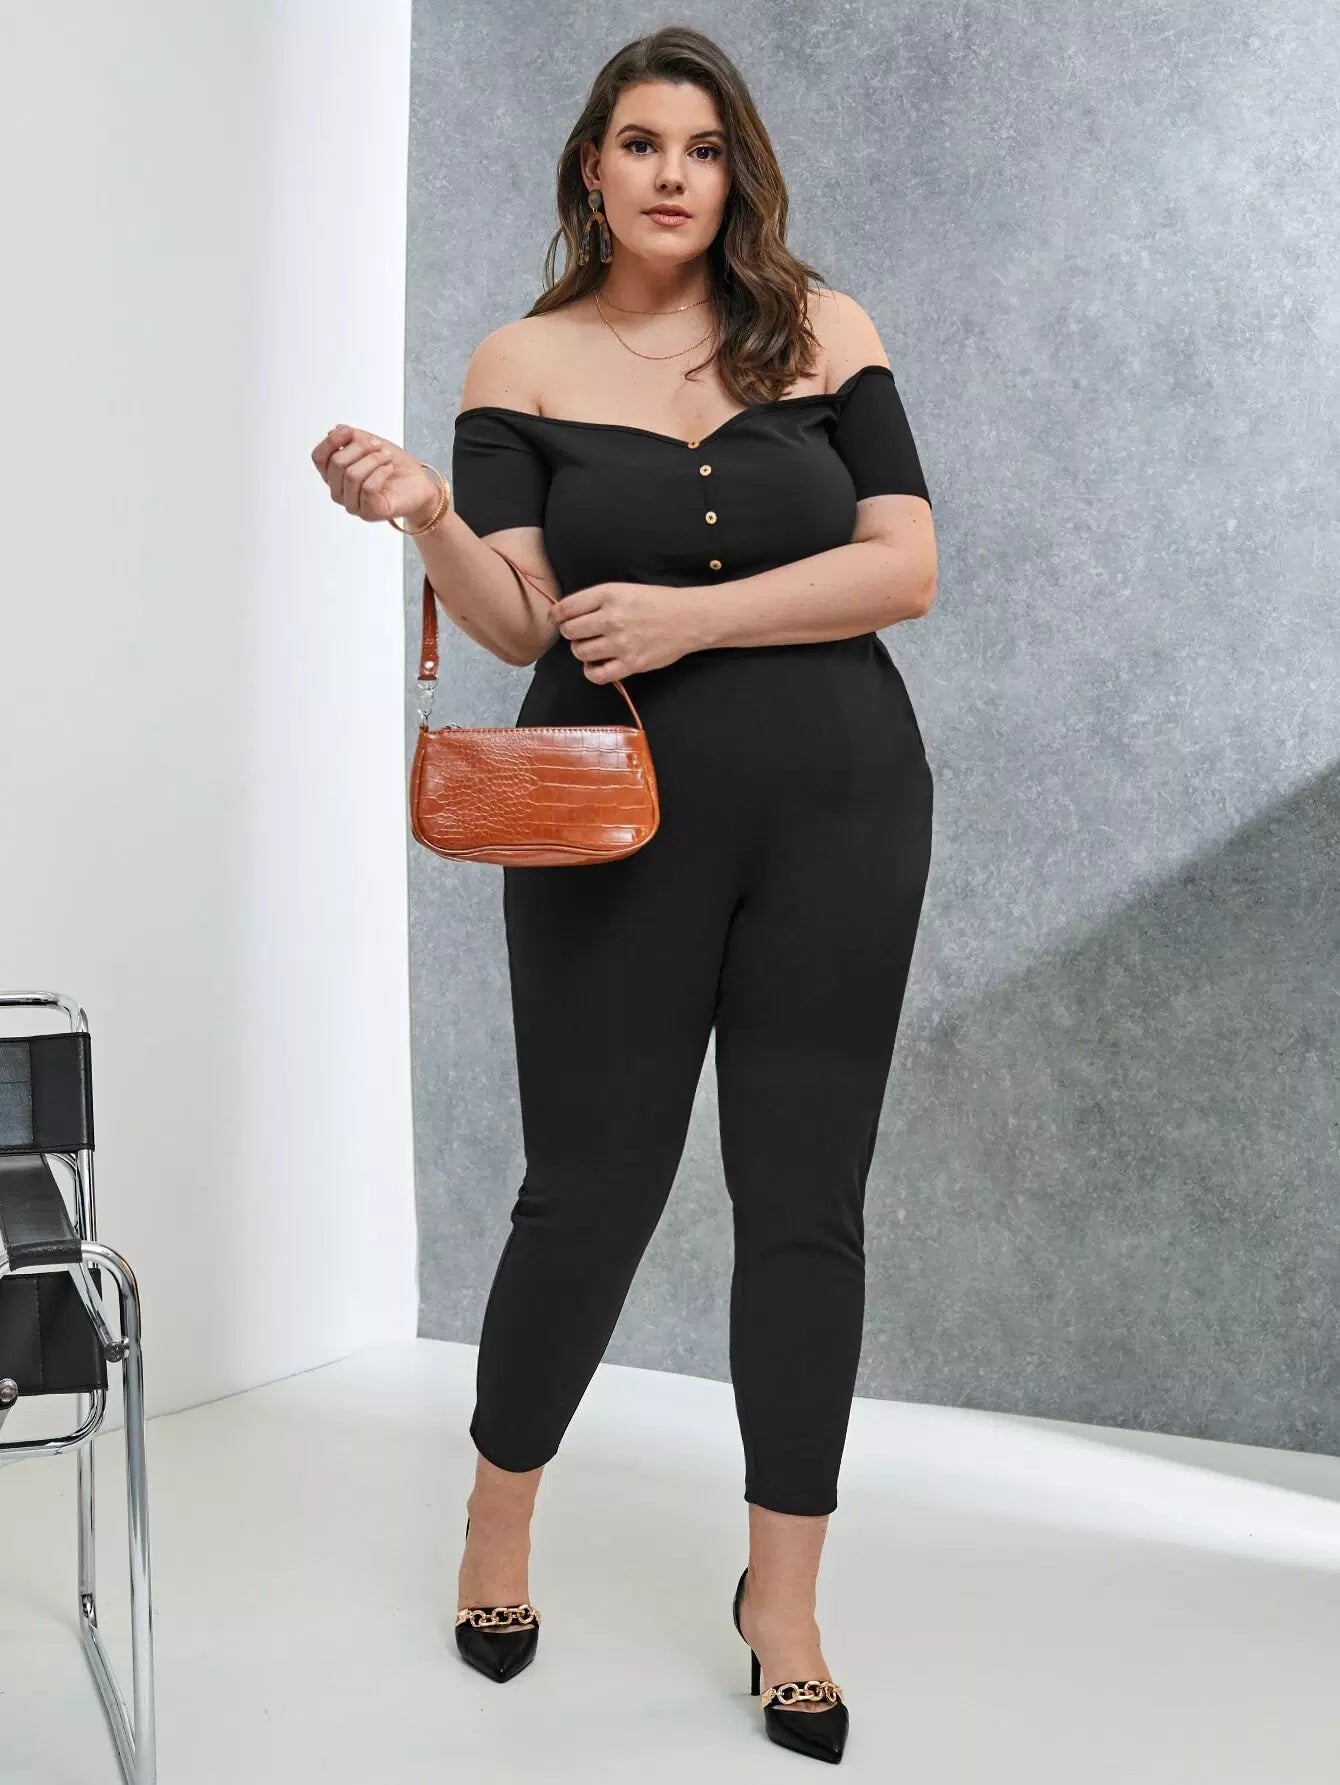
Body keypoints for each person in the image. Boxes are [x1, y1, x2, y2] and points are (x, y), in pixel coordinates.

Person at [311, 24, 935, 1766]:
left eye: (704, 146)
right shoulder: (521, 358)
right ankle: (496, 1521)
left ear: (738, 174)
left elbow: (906, 565)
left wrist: (689, 618)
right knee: (587, 1192)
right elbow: (517, 618)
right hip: (607, 820)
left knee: (805, 1203)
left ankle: (784, 1605)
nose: (673, 173)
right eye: (642, 142)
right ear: (592, 167)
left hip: (842, 808)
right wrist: (427, 516)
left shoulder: (827, 331)